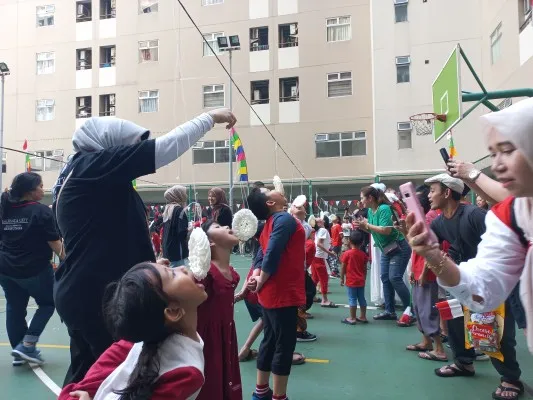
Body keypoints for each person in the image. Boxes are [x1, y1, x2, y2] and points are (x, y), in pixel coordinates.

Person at [53, 109, 236, 385]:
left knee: (86, 379)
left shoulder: (81, 175)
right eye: (131, 148)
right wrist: (209, 118)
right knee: (118, 378)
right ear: (109, 144)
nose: (134, 155)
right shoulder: (93, 166)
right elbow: (164, 148)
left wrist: (149, 265)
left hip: (83, 293)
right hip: (99, 298)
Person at [407, 98, 533, 398]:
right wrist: (433, 256)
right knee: (474, 327)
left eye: (508, 150)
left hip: (511, 286)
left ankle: (509, 378)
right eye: (493, 153)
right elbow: (483, 282)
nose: (497, 164)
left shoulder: (475, 215)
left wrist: (472, 174)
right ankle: (463, 360)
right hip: (499, 281)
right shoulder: (512, 215)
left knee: (502, 334)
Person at [58, 262, 208, 400]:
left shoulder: (138, 342)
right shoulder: (185, 374)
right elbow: (74, 393)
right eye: (173, 274)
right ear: (173, 311)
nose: (182, 268)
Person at [246, 187, 305, 400]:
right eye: (270, 190)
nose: (277, 190)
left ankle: (260, 391)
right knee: (284, 345)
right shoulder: (285, 220)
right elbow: (271, 252)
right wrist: (260, 279)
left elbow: (261, 253)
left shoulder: (271, 223)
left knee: (269, 340)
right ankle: (279, 397)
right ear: (270, 202)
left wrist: (256, 276)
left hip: (270, 295)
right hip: (282, 294)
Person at [0, 172, 63, 366]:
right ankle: (27, 345)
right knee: (49, 302)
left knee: (14, 307)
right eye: (40, 186)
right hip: (33, 269)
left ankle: (18, 351)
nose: (43, 189)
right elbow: (56, 245)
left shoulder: (5, 209)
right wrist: (69, 260)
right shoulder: (41, 211)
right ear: (30, 191)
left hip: (5, 268)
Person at [195, 221, 242, 400]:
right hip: (208, 342)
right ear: (210, 242)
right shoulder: (205, 274)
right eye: (217, 227)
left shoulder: (230, 272)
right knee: (211, 386)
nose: (226, 227)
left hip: (226, 336)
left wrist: (242, 293)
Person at [401, 185, 446, 361]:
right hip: (419, 272)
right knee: (419, 309)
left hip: (427, 275)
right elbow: (415, 248)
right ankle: (426, 342)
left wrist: (423, 273)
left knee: (428, 310)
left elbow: (431, 251)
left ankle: (439, 349)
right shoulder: (419, 224)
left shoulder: (428, 223)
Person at [355, 186, 411, 320]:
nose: (361, 201)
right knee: (385, 278)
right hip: (387, 249)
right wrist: (365, 227)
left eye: (362, 198)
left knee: (394, 278)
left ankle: (411, 310)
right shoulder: (370, 211)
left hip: (399, 247)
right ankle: (389, 311)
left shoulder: (384, 209)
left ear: (370, 198)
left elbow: (386, 230)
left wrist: (367, 225)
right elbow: (376, 231)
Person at [340, 230, 369, 325]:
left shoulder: (346, 254)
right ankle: (363, 316)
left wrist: (341, 278)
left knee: (352, 299)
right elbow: (365, 269)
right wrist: (364, 277)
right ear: (362, 243)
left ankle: (352, 318)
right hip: (361, 281)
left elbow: (343, 267)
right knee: (362, 298)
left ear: (349, 241)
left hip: (351, 281)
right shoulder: (363, 255)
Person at [311, 218, 338, 308]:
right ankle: (325, 300)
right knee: (324, 278)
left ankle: (312, 296)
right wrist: (330, 253)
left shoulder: (318, 231)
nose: (321, 219)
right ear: (318, 223)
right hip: (319, 257)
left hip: (315, 256)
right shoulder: (322, 230)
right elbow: (319, 244)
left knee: (315, 279)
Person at [161, 185, 189, 267]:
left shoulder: (167, 208)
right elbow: (181, 232)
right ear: (179, 195)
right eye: (184, 193)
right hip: (177, 251)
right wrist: (190, 229)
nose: (186, 196)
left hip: (167, 249)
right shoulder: (179, 210)